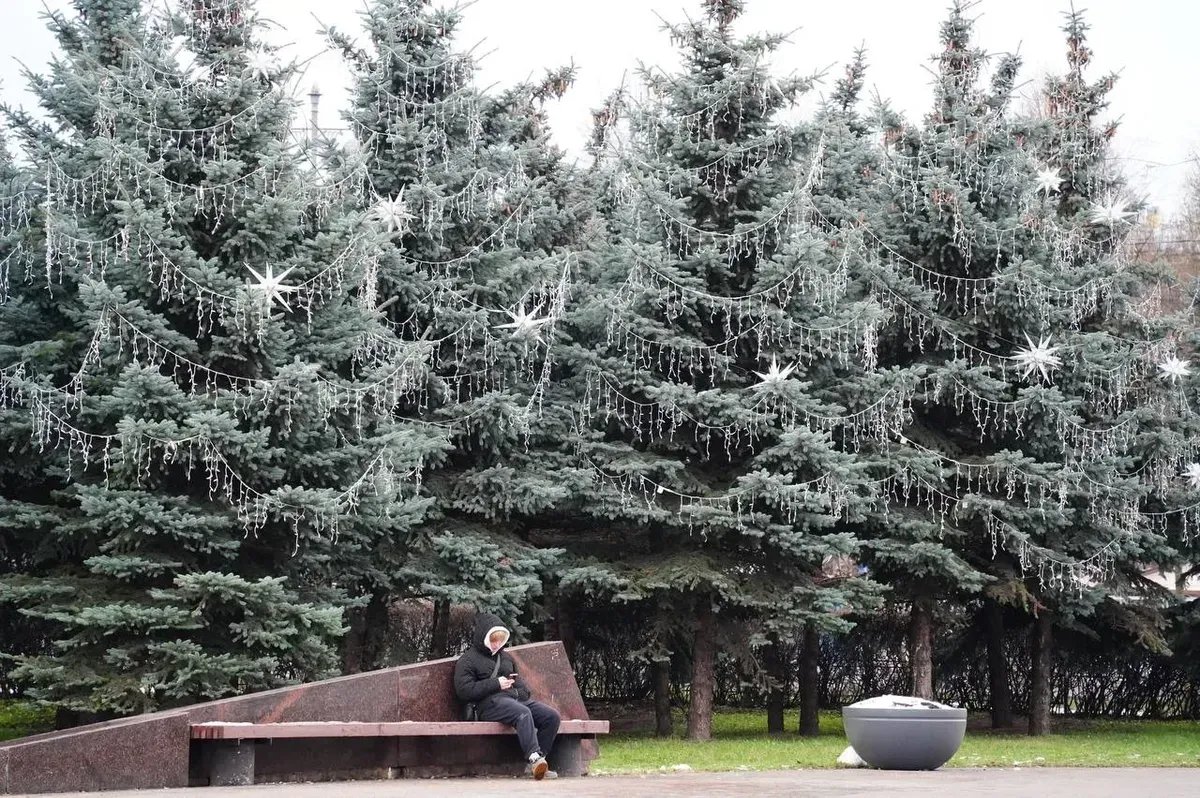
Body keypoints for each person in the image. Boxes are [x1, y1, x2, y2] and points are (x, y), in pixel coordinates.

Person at [454, 611, 562, 780]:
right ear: (484, 638)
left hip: (513, 700)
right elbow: (464, 691)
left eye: (500, 640)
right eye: (493, 640)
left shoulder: (506, 658)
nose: (497, 644)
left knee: (551, 716)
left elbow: (523, 689)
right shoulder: (468, 660)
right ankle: (534, 758)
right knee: (522, 713)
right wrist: (496, 684)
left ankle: (539, 762)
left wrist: (515, 690)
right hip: (487, 706)